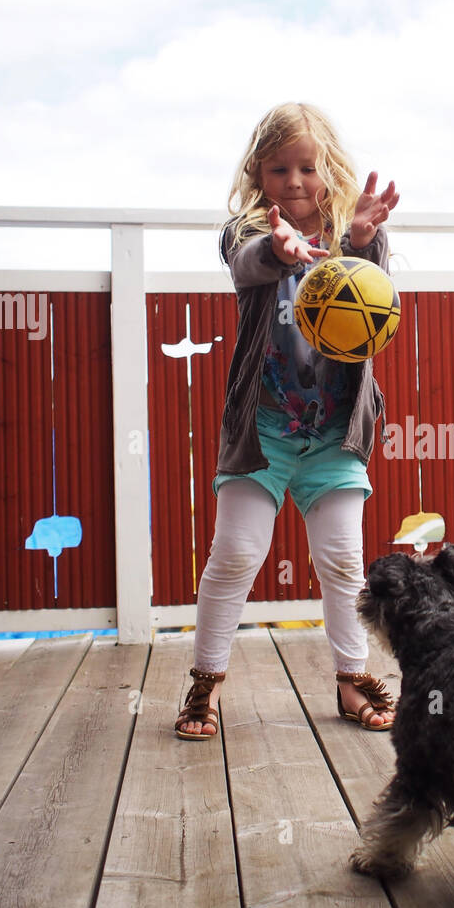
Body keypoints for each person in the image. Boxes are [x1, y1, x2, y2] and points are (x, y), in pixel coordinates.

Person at [176, 102, 401, 740]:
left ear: (329, 171)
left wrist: (357, 240)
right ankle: (206, 682)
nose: (294, 182)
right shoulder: (246, 231)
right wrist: (277, 251)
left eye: (307, 168)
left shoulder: (351, 236)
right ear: (257, 173)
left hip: (333, 434)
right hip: (263, 434)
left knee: (343, 561)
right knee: (236, 553)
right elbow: (246, 263)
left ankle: (351, 680)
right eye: (278, 169)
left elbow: (375, 281)